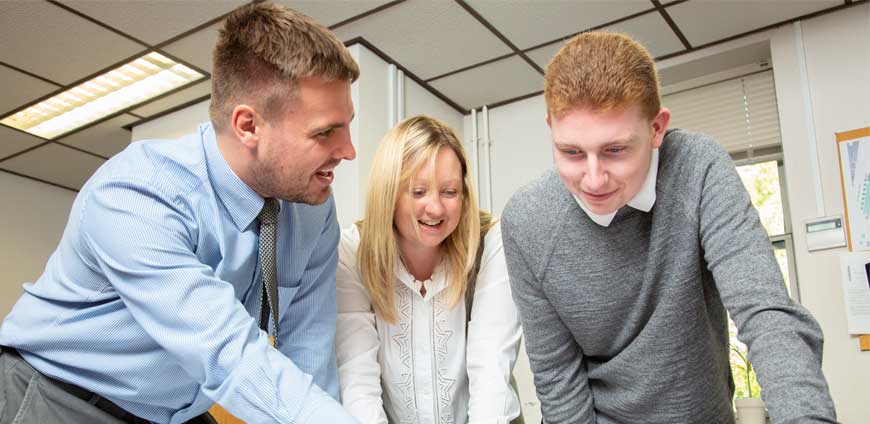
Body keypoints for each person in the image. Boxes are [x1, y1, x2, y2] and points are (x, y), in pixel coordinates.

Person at [0, 2, 360, 423]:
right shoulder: (138, 192)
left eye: (347, 125)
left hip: (177, 409)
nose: (348, 151)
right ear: (248, 126)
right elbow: (225, 350)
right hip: (64, 395)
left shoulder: (311, 208)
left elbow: (307, 354)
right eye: (324, 132)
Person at [500, 32, 837, 423]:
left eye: (615, 150)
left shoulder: (699, 168)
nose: (593, 179)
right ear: (551, 129)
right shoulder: (527, 220)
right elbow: (557, 376)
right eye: (572, 152)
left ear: (657, 128)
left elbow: (766, 313)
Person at [335, 116, 523, 424]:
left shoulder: (491, 242)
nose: (435, 208)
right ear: (388, 193)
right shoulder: (352, 252)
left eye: (449, 192)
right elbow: (357, 381)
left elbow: (491, 367)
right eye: (418, 191)